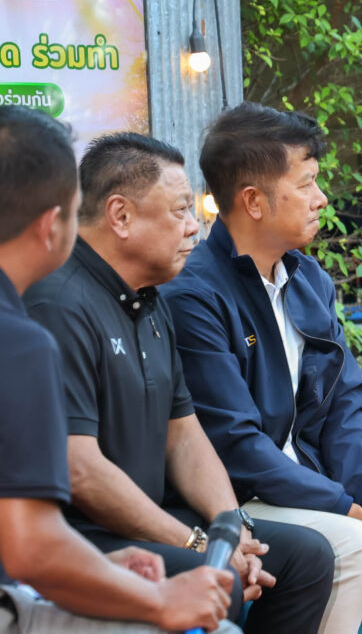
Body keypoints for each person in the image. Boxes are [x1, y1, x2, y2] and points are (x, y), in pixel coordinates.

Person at [161, 102, 362, 634]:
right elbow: (236, 446)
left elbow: (344, 406)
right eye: (306, 184)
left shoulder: (309, 279)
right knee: (358, 545)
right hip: (242, 496)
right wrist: (354, 512)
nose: (322, 198)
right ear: (253, 201)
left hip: (319, 489)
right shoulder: (194, 294)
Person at [23, 132, 335, 634]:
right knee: (217, 579)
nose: (194, 227)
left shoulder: (151, 300)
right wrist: (197, 544)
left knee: (305, 557)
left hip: (154, 517)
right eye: (181, 210)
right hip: (79, 534)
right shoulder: (58, 303)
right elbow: (80, 469)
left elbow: (185, 436)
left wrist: (232, 529)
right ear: (121, 216)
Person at [0, 105, 238, 633]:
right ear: (51, 225)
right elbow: (31, 549)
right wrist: (160, 600)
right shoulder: (23, 337)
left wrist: (104, 569)